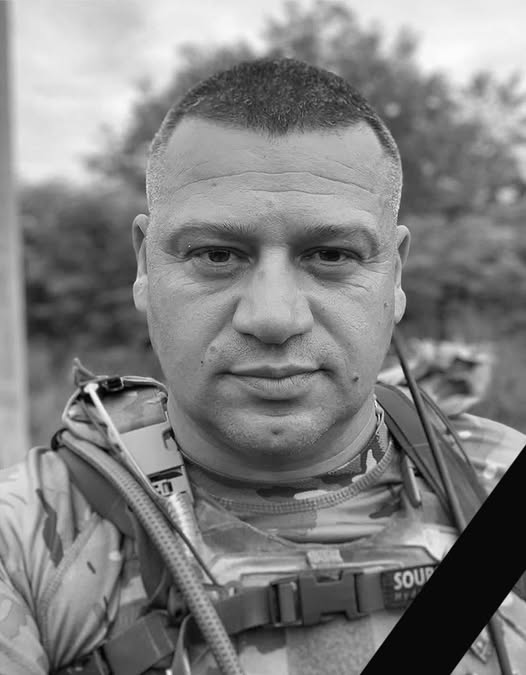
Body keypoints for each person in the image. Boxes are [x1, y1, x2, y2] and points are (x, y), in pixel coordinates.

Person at [1, 57, 525, 675]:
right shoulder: (25, 537)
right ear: (145, 266)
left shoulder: (495, 482)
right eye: (216, 255)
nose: (273, 317)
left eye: (332, 255)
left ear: (395, 273)